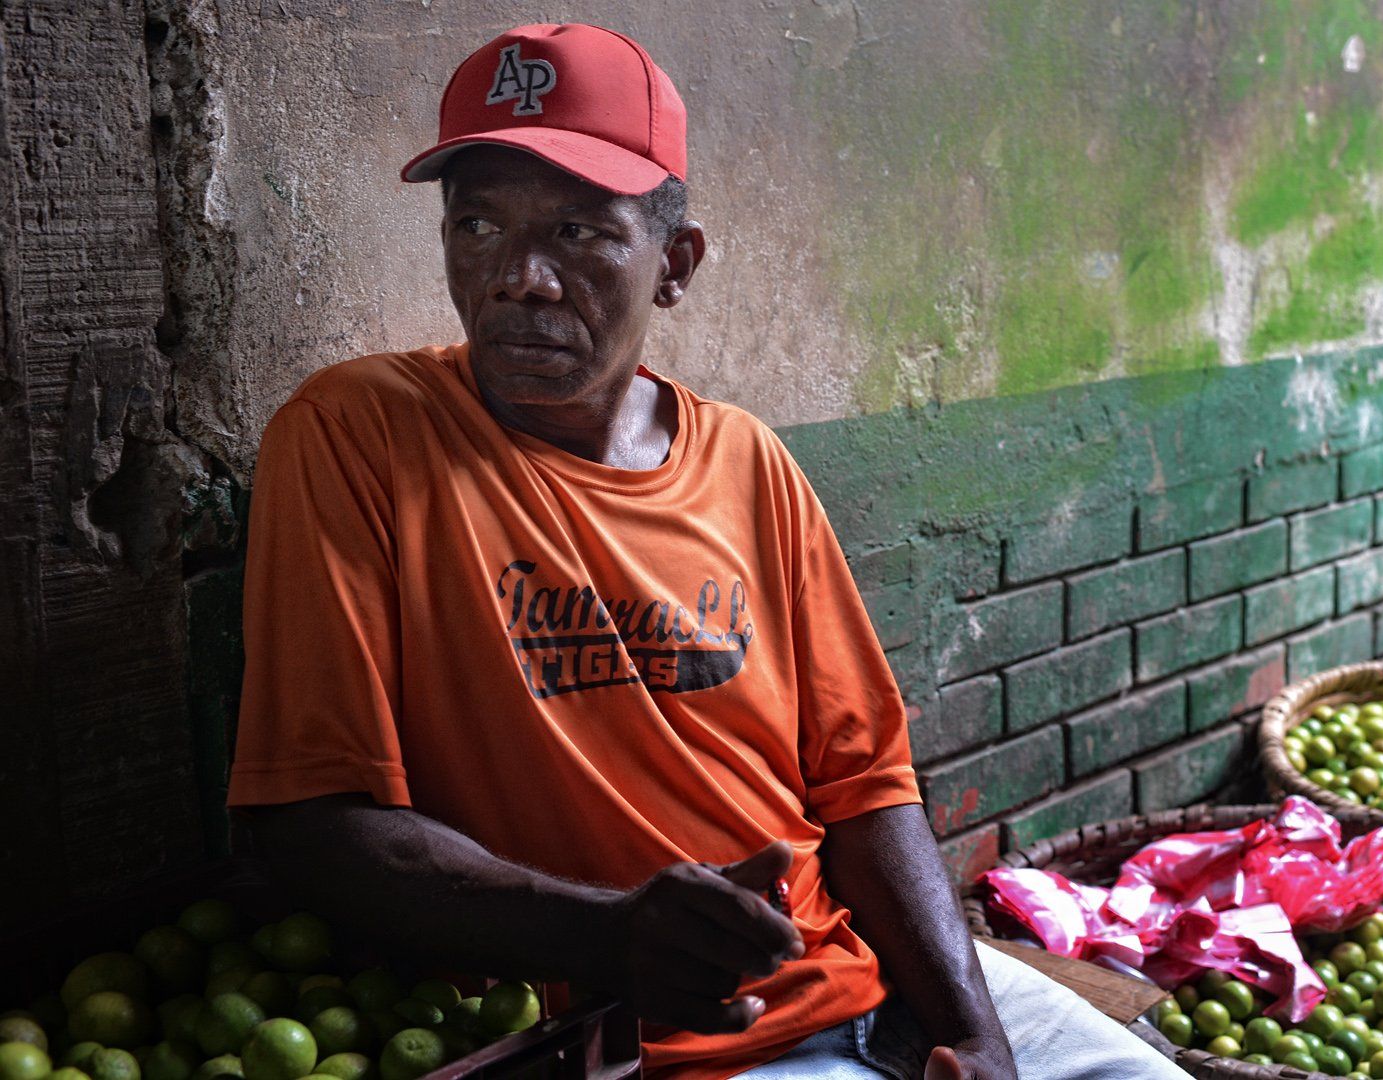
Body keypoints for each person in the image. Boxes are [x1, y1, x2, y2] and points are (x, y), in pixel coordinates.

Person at [227, 22, 1187, 1080]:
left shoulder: (746, 461)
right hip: (665, 1042)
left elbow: (866, 788)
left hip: (862, 977)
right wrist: (604, 936)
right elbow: (313, 822)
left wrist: (971, 1034)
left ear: (674, 265)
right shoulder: (357, 435)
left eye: (581, 233)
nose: (520, 277)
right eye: (480, 226)